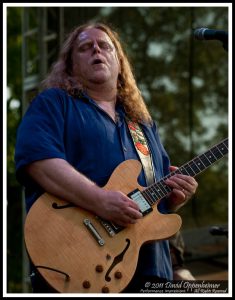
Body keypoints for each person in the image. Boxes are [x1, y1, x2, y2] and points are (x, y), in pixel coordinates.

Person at [15, 22, 198, 293]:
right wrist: (99, 200)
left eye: (104, 46)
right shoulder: (55, 103)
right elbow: (38, 161)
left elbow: (152, 205)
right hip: (76, 263)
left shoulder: (143, 125)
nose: (96, 51)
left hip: (150, 271)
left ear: (119, 61)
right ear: (71, 64)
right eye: (85, 48)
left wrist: (173, 199)